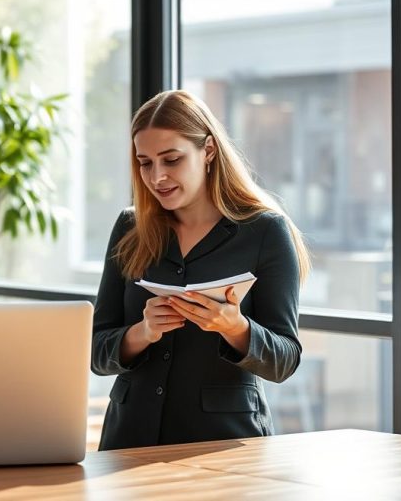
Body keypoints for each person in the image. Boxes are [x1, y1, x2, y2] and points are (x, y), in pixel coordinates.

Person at [92, 89, 311, 450]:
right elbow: (96, 352)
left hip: (224, 443)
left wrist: (234, 327)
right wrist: (142, 332)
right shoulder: (130, 229)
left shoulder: (265, 232)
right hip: (130, 440)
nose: (157, 176)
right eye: (145, 163)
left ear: (207, 150)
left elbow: (284, 360)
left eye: (171, 159)